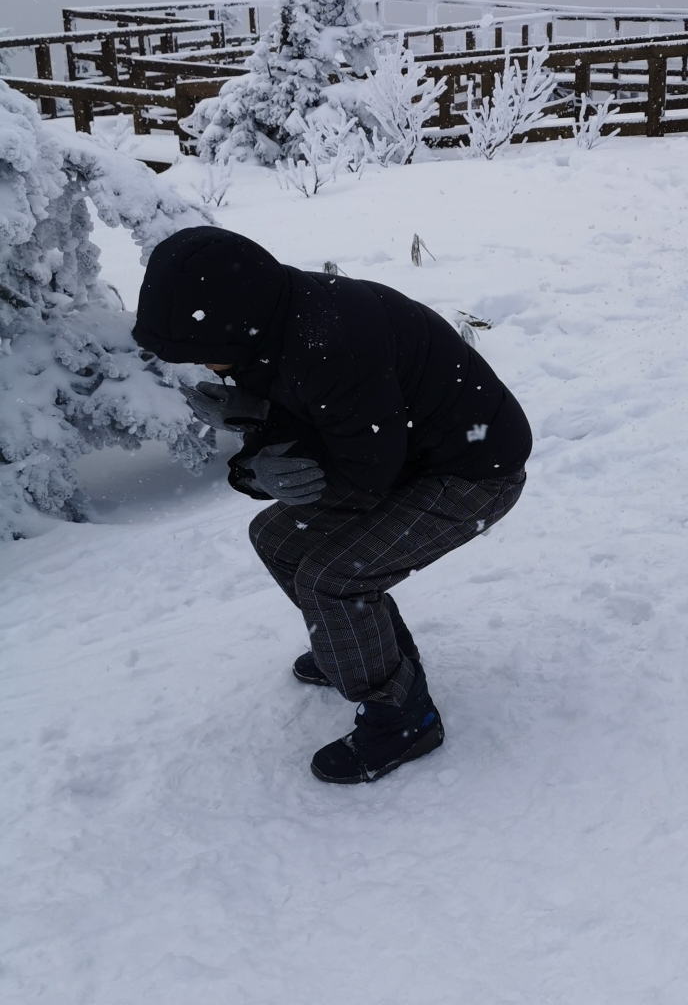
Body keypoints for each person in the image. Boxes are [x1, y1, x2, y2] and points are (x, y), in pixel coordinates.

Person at [133, 228, 531, 782]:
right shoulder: (272, 319)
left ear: (234, 325)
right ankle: (354, 642)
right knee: (276, 538)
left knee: (334, 579)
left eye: (206, 355)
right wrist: (253, 409)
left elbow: (363, 473)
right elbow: (318, 411)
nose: (205, 369)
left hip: (473, 470)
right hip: (409, 452)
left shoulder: (328, 344)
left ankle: (404, 719)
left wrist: (255, 453)